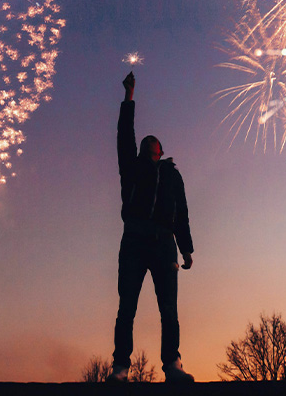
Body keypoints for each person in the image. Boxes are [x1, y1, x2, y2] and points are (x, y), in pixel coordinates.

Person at [108, 71, 195, 383]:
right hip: (134, 238)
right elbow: (124, 135)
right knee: (127, 307)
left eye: (151, 143)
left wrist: (186, 247)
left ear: (160, 150)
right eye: (143, 143)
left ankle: (172, 364)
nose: (146, 144)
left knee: (168, 309)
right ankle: (120, 367)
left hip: (163, 243)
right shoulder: (131, 169)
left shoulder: (172, 176)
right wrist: (129, 96)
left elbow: (181, 213)